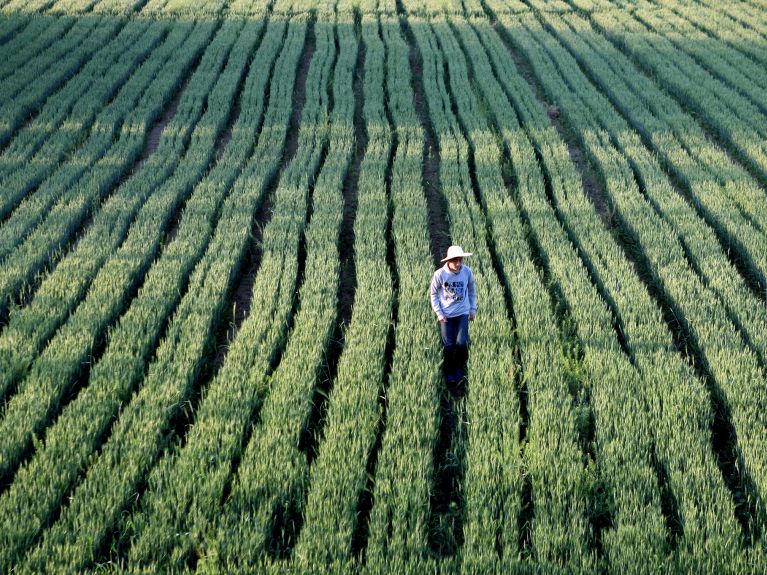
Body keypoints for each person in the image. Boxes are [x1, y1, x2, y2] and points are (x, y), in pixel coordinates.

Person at [430, 245, 476, 388]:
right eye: (455, 261)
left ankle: (459, 368)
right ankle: (449, 371)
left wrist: (473, 308)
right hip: (446, 315)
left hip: (463, 313)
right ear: (448, 261)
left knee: (461, 343)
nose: (458, 264)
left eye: (460, 260)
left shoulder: (467, 272)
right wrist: (439, 313)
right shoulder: (440, 274)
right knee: (449, 346)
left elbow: (472, 290)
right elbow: (433, 293)